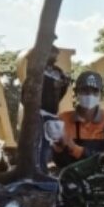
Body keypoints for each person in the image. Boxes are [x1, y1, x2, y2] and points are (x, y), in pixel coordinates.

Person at [49, 71, 104, 169]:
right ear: (76, 92)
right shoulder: (62, 119)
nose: (90, 95)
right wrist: (58, 149)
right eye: (85, 90)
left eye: (95, 91)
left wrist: (74, 148)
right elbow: (60, 162)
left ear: (101, 94)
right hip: (71, 177)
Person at [38, 46, 72, 174]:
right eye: (51, 54)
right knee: (39, 142)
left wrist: (63, 86)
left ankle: (44, 168)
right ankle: (39, 168)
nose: (54, 57)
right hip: (39, 112)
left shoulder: (58, 72)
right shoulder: (37, 71)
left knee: (48, 143)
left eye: (55, 55)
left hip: (51, 112)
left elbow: (60, 94)